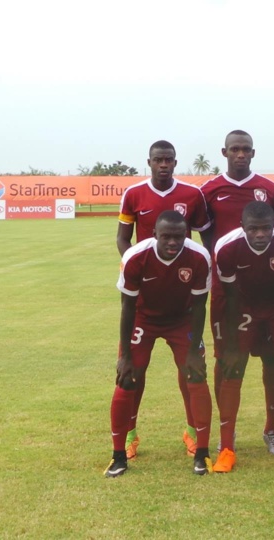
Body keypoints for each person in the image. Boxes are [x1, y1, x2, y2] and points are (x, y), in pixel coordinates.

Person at [116, 140, 210, 460]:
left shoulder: (192, 195)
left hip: (181, 295)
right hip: (146, 296)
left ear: (175, 162)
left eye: (169, 160)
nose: (164, 165)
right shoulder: (133, 194)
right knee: (133, 372)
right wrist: (132, 267)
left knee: (190, 372)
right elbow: (122, 237)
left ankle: (193, 432)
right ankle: (129, 434)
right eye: (158, 160)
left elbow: (204, 236)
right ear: (149, 162)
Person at [199, 130, 274, 456]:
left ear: (253, 153)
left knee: (273, 360)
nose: (240, 154)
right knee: (225, 361)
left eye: (246, 149)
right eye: (235, 149)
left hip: (267, 291)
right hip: (226, 291)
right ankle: (228, 430)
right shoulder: (209, 191)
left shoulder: (269, 190)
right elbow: (208, 240)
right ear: (224, 151)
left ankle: (271, 429)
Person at [105, 210, 213, 478]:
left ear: (186, 235)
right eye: (166, 237)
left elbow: (200, 307)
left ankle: (202, 451)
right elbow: (127, 308)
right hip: (144, 318)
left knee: (196, 375)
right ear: (155, 235)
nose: (172, 242)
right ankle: (119, 454)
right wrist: (125, 355)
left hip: (183, 319)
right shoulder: (135, 257)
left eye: (178, 237)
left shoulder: (199, 257)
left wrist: (193, 351)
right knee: (127, 379)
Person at [212, 202, 274, 472]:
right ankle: (226, 447)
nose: (260, 234)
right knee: (232, 369)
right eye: (253, 229)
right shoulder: (226, 247)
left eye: (266, 228)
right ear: (243, 228)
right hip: (243, 306)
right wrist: (232, 345)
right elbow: (231, 297)